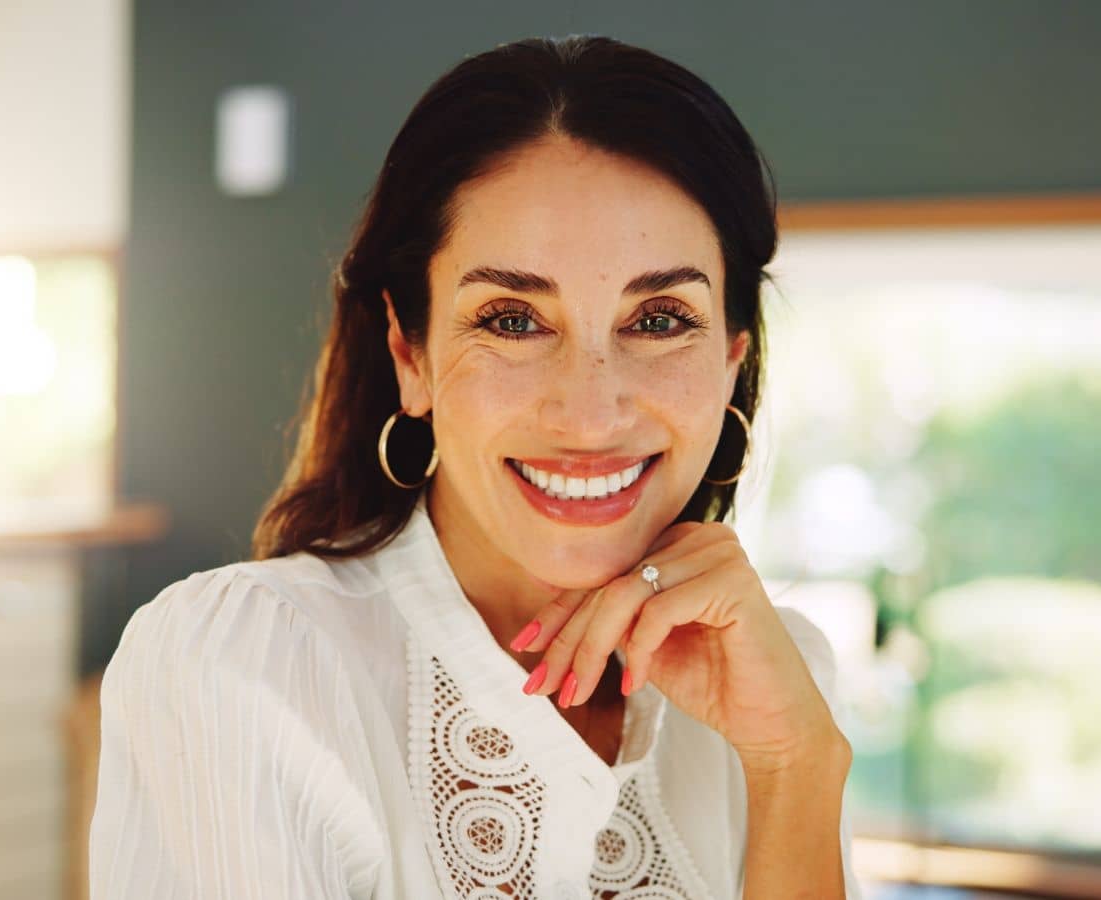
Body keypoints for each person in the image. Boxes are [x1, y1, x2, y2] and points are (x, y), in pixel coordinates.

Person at [89, 34, 862, 899]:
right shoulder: (243, 665)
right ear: (410, 355)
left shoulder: (782, 674)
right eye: (512, 320)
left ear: (730, 360)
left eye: (657, 320)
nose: (589, 414)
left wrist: (798, 765)